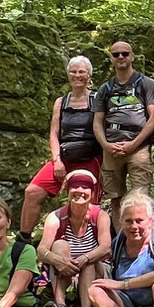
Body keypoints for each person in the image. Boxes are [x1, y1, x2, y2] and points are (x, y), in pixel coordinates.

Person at [23, 56, 105, 235]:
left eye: (82, 72)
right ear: (68, 75)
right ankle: (24, 240)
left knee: (89, 204)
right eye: (73, 72)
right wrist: (57, 160)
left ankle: (90, 243)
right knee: (32, 192)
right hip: (65, 156)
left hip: (91, 157)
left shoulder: (97, 99)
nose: (77, 75)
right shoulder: (61, 102)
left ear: (89, 75)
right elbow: (54, 133)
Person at [37, 170, 112, 307]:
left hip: (96, 270)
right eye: (75, 186)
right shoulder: (56, 217)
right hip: (68, 271)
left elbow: (105, 247)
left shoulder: (99, 215)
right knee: (59, 246)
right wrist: (56, 260)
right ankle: (60, 306)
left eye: (85, 187)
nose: (80, 191)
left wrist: (84, 258)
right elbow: (41, 249)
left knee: (89, 263)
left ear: (92, 192)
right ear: (68, 191)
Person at [95, 38, 154, 218]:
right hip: (112, 147)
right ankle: (120, 242)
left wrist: (134, 143)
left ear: (132, 56)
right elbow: (97, 122)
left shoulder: (146, 84)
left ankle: (142, 240)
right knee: (115, 198)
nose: (120, 57)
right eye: (116, 54)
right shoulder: (105, 88)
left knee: (141, 197)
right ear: (111, 58)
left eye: (124, 53)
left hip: (139, 148)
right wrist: (105, 145)